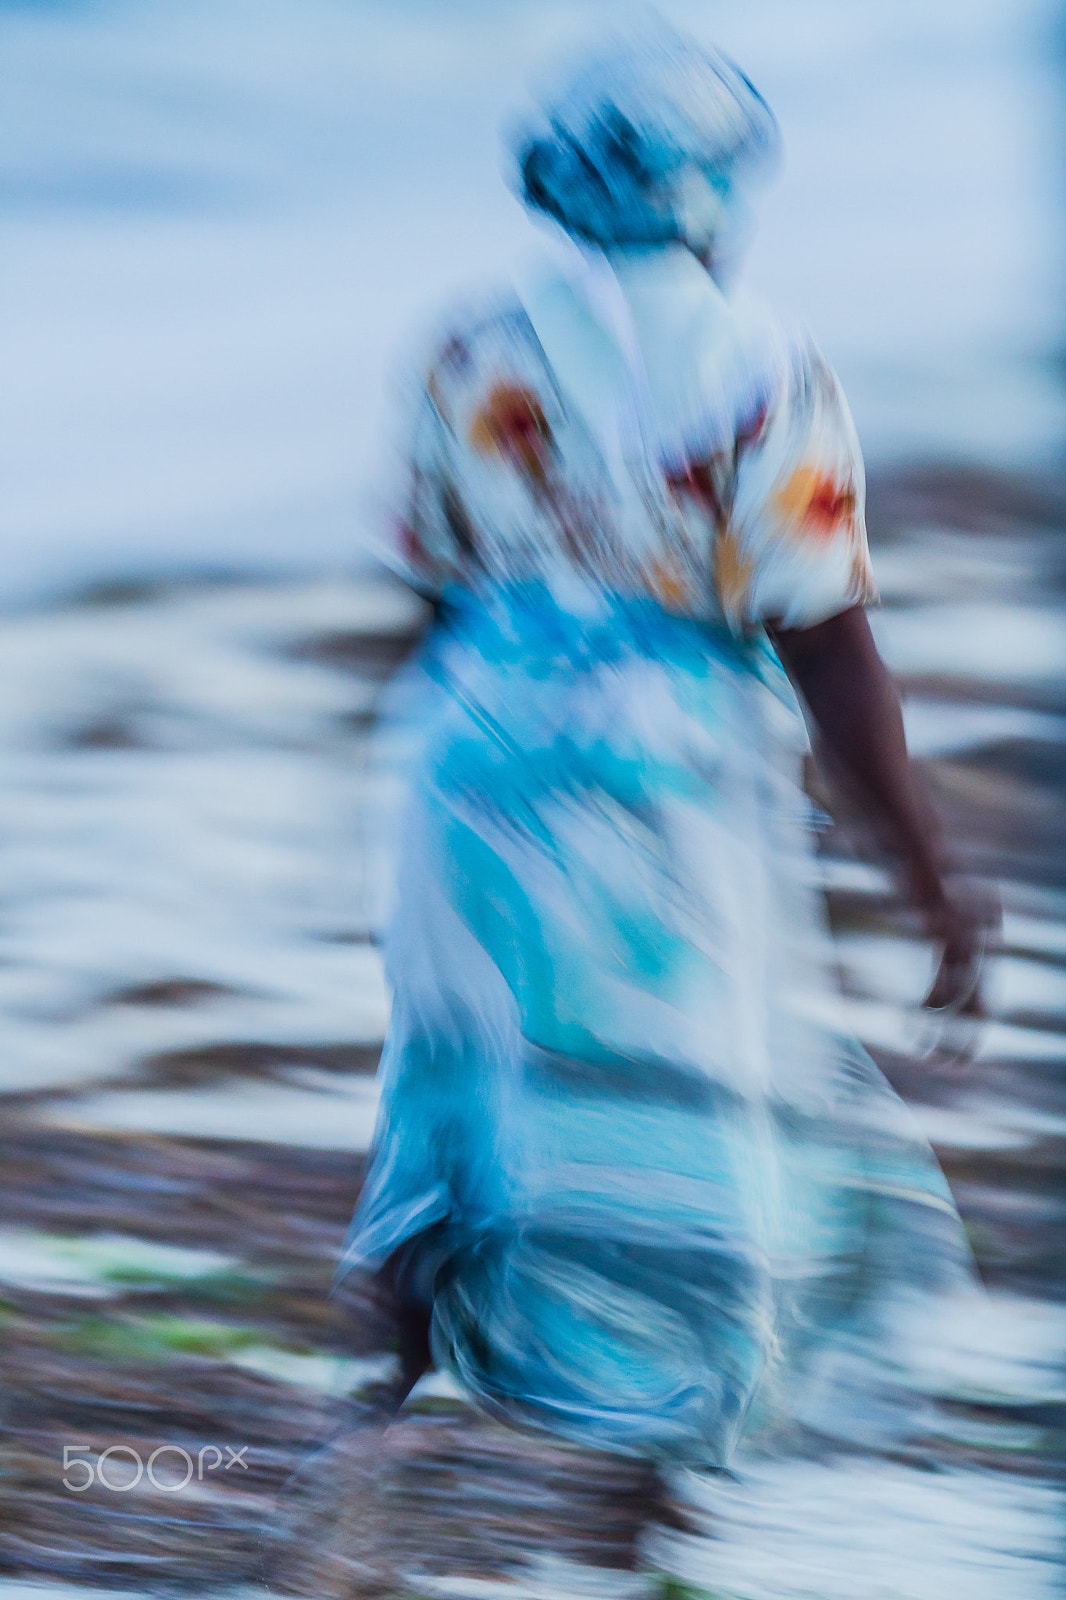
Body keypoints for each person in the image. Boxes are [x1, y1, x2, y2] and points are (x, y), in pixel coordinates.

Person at [332, 19, 990, 1593]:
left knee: (460, 1084)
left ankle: (362, 1425)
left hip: (475, 755)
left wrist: (395, 784)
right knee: (682, 1121)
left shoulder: (463, 345)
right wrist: (928, 883)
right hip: (670, 783)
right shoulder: (767, 364)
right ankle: (634, 1524)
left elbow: (418, 595)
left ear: (554, 187)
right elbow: (829, 649)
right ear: (720, 193)